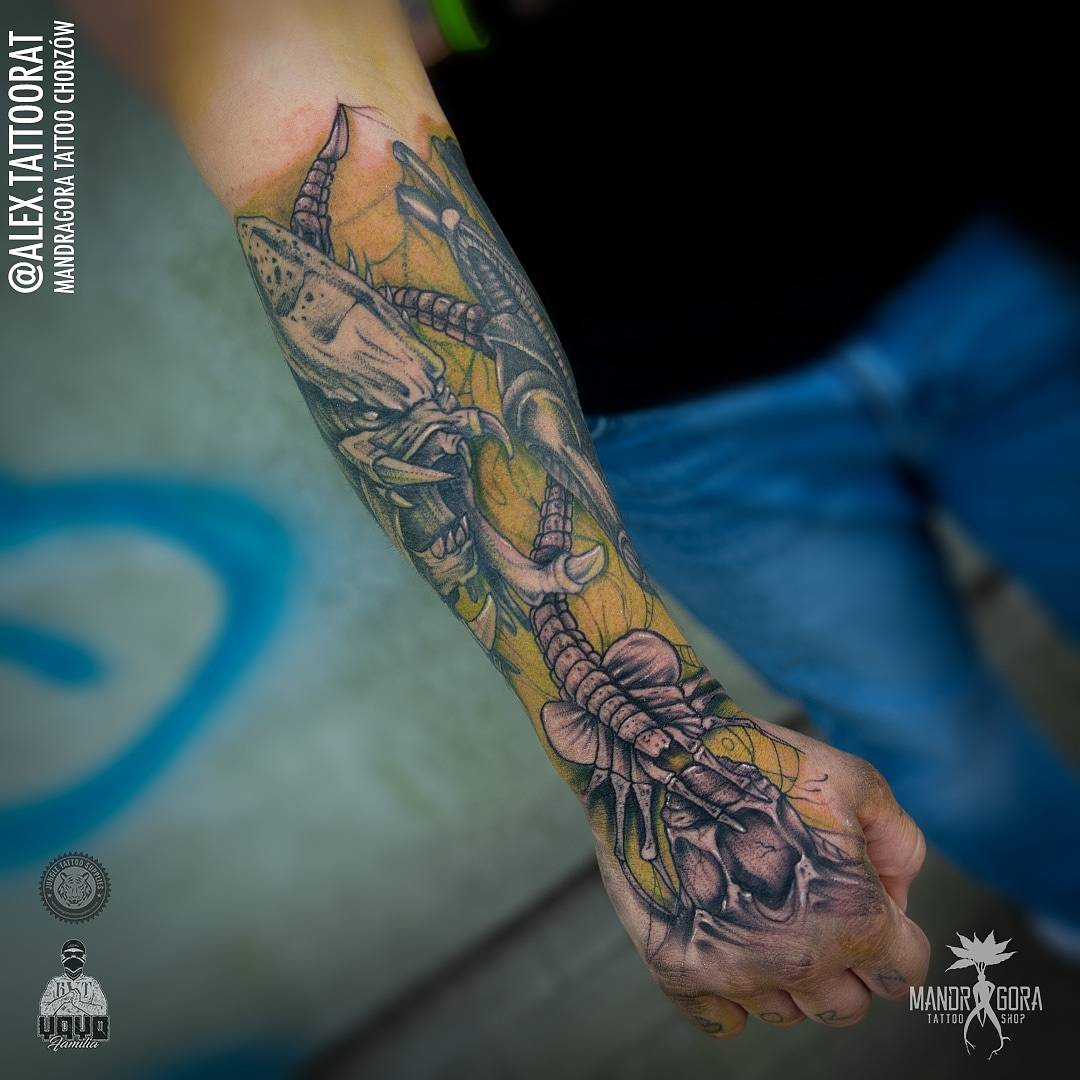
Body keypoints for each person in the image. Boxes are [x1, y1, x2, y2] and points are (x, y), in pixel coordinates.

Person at [77, 0, 1079, 1039]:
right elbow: (289, 78)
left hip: (983, 242)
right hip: (657, 399)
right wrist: (668, 769)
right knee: (943, 752)